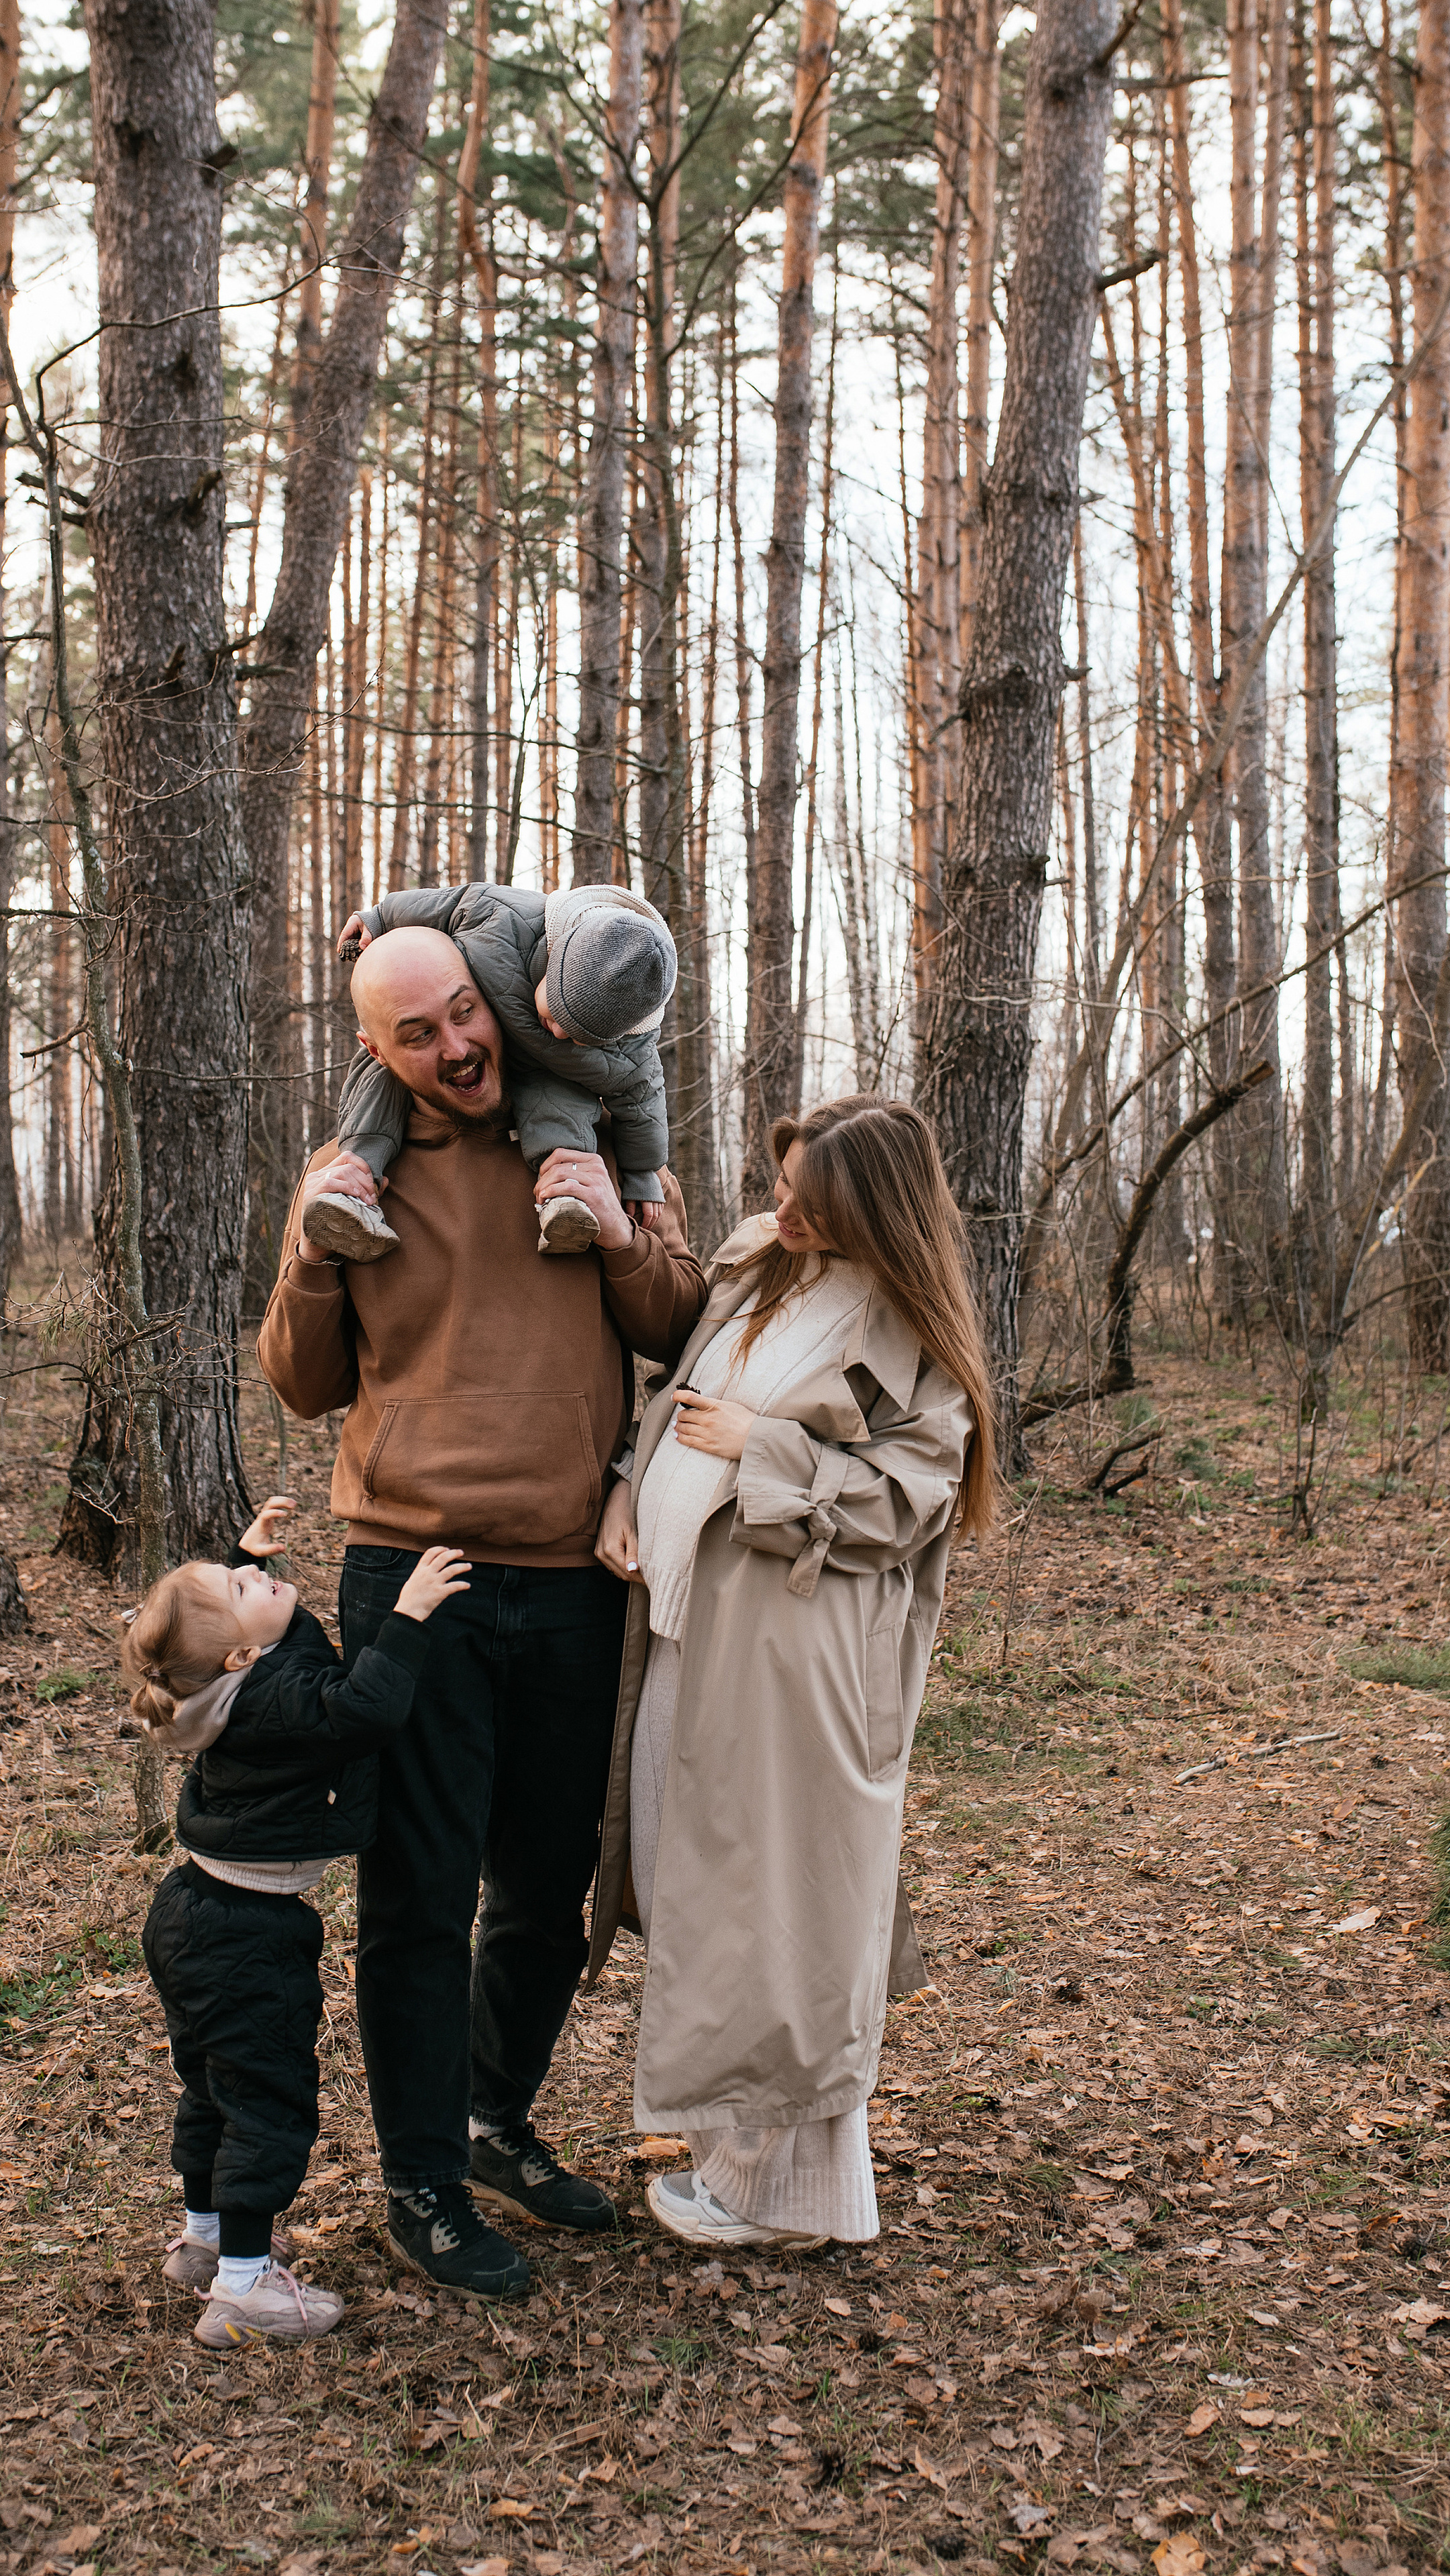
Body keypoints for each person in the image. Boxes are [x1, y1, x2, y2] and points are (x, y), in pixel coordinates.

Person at [258, 925, 707, 2298]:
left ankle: (491, 2116)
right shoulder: (355, 1174)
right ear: (374, 1049)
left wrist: (617, 1216)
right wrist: (317, 1250)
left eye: (465, 1012)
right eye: (416, 1034)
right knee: (416, 1890)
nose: (454, 1047)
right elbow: (298, 1379)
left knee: (545, 1879)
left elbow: (675, 1323)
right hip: (410, 1575)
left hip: (572, 1573)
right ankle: (419, 2181)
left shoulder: (592, 1132)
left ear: (494, 1004)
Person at [587, 1095, 996, 2250]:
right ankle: (736, 2143)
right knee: (688, 1883)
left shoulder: (909, 1327)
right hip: (686, 1630)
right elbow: (680, 1390)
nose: (783, 1209)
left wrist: (761, 1449)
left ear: (870, 1208)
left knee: (783, 1910)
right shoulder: (763, 1267)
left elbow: (910, 1499)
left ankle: (791, 2191)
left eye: (809, 1200)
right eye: (782, 1188)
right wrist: (632, 1482)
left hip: (794, 1658)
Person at [124, 1489, 471, 2346]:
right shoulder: (267, 1698)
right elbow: (360, 1707)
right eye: (240, 1583)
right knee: (267, 2104)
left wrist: (259, 1560)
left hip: (194, 1914)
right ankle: (244, 2289)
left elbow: (270, 1652)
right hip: (245, 1934)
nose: (248, 1573)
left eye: (238, 1569)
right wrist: (408, 1614)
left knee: (213, 2087)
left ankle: (205, 2243)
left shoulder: (221, 1690)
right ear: (240, 1651)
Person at [309, 879, 675, 1260]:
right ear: (557, 957)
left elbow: (644, 1105)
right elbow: (446, 904)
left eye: (581, 1034)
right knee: (379, 1080)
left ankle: (566, 1199)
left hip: (547, 1076)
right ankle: (355, 1181)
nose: (560, 1032)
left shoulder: (630, 1056)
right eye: (557, 1009)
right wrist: (379, 918)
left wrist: (642, 1175)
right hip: (492, 1043)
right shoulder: (504, 919)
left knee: (561, 1103)